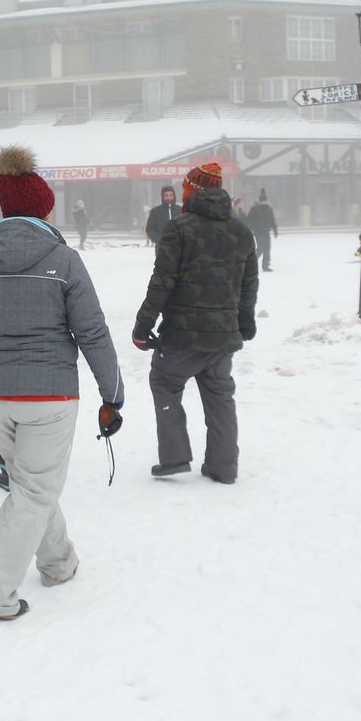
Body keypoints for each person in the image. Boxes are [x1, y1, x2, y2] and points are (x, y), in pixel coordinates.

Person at [0, 145, 124, 621]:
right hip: (51, 396)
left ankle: (57, 562)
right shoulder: (64, 259)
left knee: (27, 483)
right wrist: (113, 395)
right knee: (34, 491)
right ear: (44, 207)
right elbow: (92, 331)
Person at [132, 162, 258, 484]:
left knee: (164, 382)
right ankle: (224, 465)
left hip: (181, 336)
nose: (183, 191)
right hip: (222, 337)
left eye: (186, 186)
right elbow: (248, 285)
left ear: (194, 190)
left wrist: (144, 324)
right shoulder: (241, 231)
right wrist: (244, 324)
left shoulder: (179, 229)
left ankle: (174, 457)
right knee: (220, 395)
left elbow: (163, 281)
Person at [247, 189, 278, 272]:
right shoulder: (261, 209)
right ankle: (254, 263)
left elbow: (272, 220)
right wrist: (275, 230)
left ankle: (264, 265)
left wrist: (275, 230)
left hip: (261, 231)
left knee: (266, 248)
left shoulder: (266, 209)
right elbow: (272, 220)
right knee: (263, 248)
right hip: (260, 231)